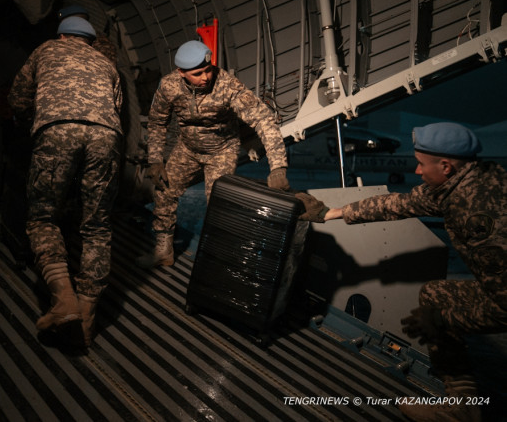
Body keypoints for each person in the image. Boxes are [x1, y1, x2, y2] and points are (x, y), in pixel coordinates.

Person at [321, 122, 506, 422]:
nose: (417, 171)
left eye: (421, 164)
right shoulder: (463, 183)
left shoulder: (479, 215)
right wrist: (333, 213)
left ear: (445, 167)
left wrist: (442, 320)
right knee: (434, 295)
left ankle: (459, 414)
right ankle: (463, 406)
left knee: (437, 312)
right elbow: (400, 203)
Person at [8, 16, 123, 348]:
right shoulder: (106, 63)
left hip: (57, 129)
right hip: (106, 137)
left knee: (43, 217)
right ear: (90, 41)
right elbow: (116, 107)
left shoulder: (45, 50)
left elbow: (18, 98)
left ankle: (63, 301)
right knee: (97, 225)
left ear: (62, 36)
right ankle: (86, 317)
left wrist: (31, 122)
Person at [137, 40, 290, 269]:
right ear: (181, 73)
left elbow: (263, 119)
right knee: (164, 190)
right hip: (188, 149)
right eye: (198, 73)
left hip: (222, 151)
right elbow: (157, 123)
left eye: (208, 70)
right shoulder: (169, 86)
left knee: (218, 204)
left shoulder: (226, 85)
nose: (206, 77)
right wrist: (156, 160)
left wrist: (278, 166)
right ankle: (163, 250)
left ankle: (219, 259)